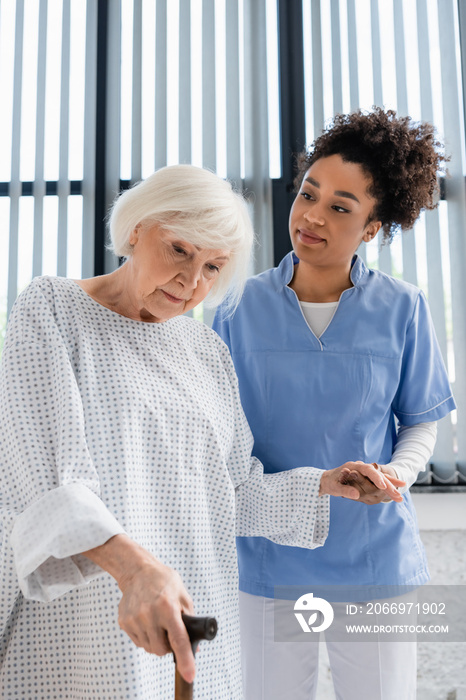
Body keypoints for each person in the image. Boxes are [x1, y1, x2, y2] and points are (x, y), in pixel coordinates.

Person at [0, 165, 402, 700]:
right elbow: (48, 479)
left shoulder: (206, 351)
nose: (193, 283)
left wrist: (325, 484)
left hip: (197, 614)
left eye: (213, 267)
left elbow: (232, 493)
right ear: (138, 230)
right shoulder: (53, 308)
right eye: (180, 251)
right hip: (91, 616)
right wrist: (137, 570)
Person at [213, 109, 456, 700]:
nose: (312, 216)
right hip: (266, 555)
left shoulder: (403, 307)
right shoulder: (235, 307)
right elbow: (215, 432)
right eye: (308, 194)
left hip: (372, 551)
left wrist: (396, 474)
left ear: (372, 227)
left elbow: (421, 418)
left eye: (341, 207)